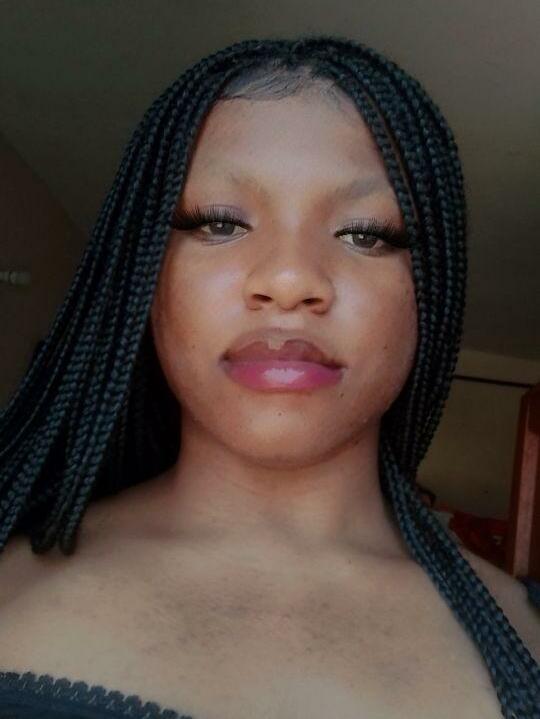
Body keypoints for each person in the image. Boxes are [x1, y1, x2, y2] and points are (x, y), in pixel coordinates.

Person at [0, 34, 538, 719]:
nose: (289, 279)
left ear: (431, 293)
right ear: (143, 274)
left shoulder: (524, 633)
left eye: (365, 233)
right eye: (221, 223)